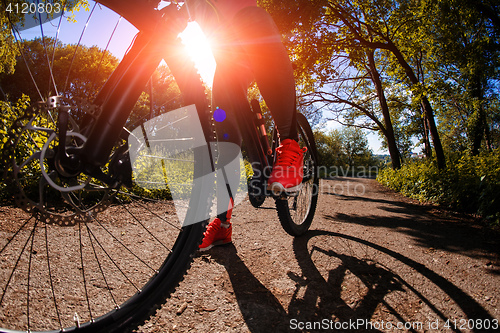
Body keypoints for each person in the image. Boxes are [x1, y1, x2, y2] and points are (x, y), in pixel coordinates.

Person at [184, 0, 304, 251]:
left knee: (254, 20)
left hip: (249, 33)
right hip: (225, 53)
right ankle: (223, 225)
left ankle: (290, 145)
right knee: (226, 142)